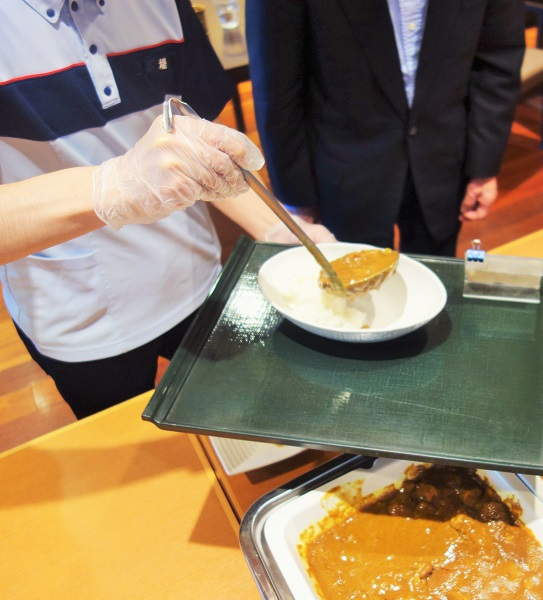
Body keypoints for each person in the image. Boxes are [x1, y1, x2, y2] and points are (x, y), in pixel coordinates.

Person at [0, 0, 334, 419]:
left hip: (201, 280)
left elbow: (206, 146)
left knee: (234, 420)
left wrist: (277, 230)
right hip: (79, 314)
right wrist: (112, 186)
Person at [245, 0, 525, 257]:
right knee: (353, 297)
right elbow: (277, 88)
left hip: (443, 159)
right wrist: (295, 198)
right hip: (343, 170)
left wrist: (483, 166)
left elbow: (497, 60)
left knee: (433, 280)